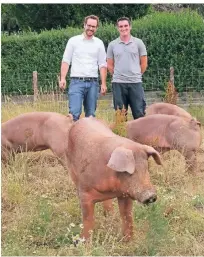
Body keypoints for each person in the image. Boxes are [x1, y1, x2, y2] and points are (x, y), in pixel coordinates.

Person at [59, 15, 107, 121]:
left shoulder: (99, 43)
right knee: (74, 114)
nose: (90, 28)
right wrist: (62, 78)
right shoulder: (73, 41)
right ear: (84, 25)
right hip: (76, 82)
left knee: (91, 116)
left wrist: (103, 83)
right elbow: (66, 60)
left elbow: (102, 64)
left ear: (96, 28)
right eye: (89, 25)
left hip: (93, 83)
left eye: (93, 26)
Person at [107, 17, 147, 120]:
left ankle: (139, 136)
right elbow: (110, 65)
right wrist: (118, 75)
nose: (123, 28)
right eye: (121, 26)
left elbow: (143, 63)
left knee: (139, 113)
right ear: (117, 28)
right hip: (118, 83)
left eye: (126, 26)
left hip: (135, 83)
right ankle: (121, 135)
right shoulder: (112, 45)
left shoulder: (138, 43)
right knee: (120, 115)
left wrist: (136, 74)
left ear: (130, 27)